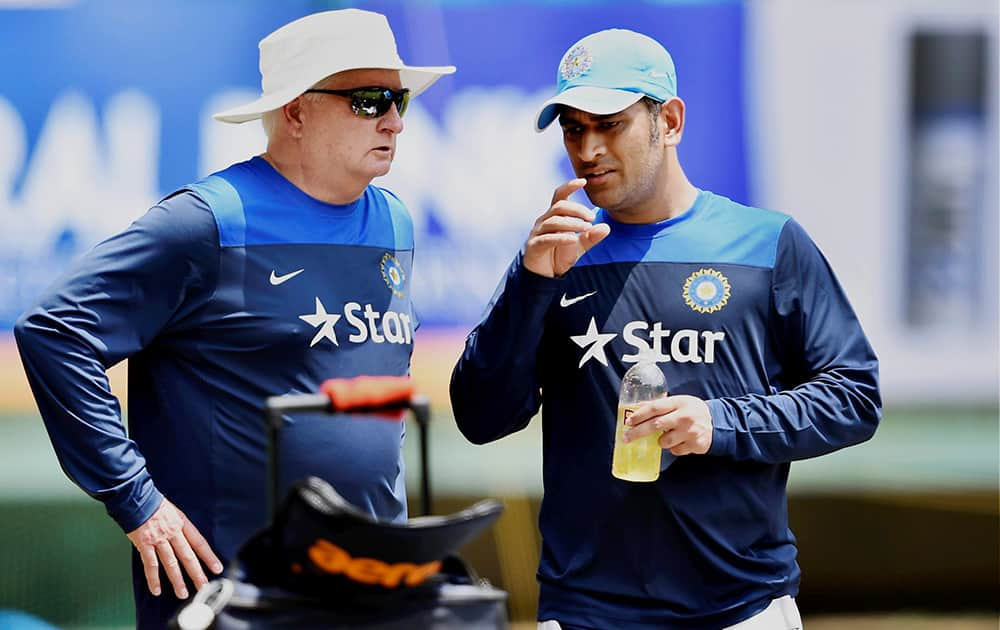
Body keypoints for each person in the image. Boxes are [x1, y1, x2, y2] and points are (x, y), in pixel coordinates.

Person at [14, 9, 454, 629]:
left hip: (369, 590)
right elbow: (54, 331)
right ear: (296, 113)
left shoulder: (394, 220)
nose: (396, 120)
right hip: (234, 597)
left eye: (398, 97)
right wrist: (136, 501)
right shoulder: (207, 222)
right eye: (369, 99)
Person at [450, 28, 880, 630]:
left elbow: (855, 396)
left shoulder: (767, 242)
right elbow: (481, 416)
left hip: (742, 607)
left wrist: (718, 422)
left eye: (610, 123)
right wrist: (531, 284)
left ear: (669, 121)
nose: (588, 148)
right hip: (585, 612)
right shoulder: (556, 254)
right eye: (573, 128)